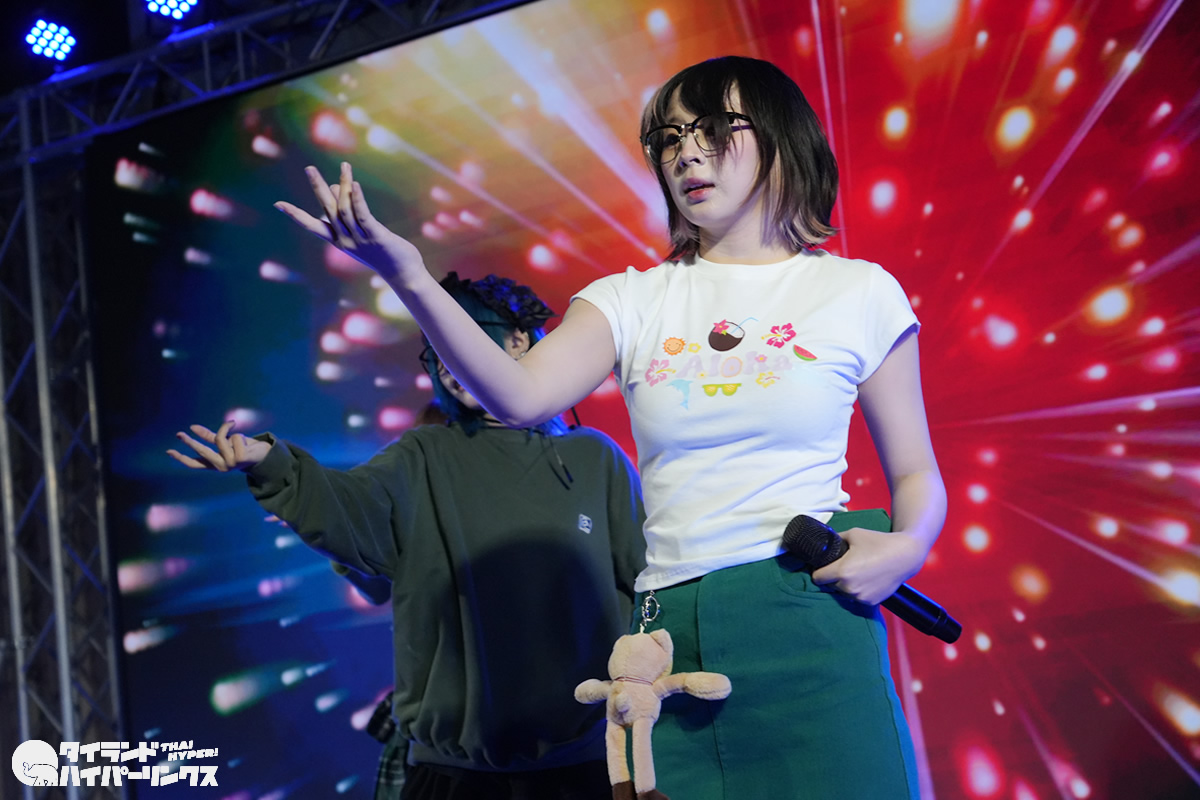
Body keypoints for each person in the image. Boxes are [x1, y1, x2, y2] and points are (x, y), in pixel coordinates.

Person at [273, 55, 946, 800]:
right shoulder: (629, 300)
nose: (686, 153)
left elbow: (915, 470)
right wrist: (409, 277)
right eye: (669, 138)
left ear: (781, 134)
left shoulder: (857, 291)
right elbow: (519, 397)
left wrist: (908, 545)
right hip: (668, 638)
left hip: (807, 616)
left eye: (713, 128)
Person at [168, 273, 647, 800]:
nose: (447, 359)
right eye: (436, 346)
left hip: (586, 767)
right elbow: (350, 511)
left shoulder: (595, 459)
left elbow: (647, 583)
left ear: (517, 339)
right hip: (454, 777)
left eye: (462, 336)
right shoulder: (421, 456)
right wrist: (269, 462)